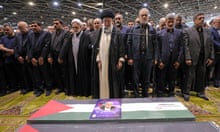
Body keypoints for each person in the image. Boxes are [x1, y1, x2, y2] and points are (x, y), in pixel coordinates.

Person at [91, 10, 125, 99]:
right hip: (102, 62)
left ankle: (112, 99)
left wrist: (120, 60)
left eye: (108, 21)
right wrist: (98, 60)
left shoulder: (117, 32)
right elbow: (96, 48)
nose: (106, 23)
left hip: (113, 62)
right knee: (102, 81)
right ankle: (103, 98)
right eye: (105, 21)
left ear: (112, 21)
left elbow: (121, 47)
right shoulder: (99, 32)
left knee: (113, 82)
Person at [182, 13, 214, 101]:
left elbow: (211, 45)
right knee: (189, 76)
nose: (202, 20)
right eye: (200, 18)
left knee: (201, 76)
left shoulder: (207, 31)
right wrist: (187, 57)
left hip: (203, 58)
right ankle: (186, 92)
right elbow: (186, 46)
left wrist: (211, 57)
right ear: (194, 20)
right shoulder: (187, 31)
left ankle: (200, 92)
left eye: (203, 18)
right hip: (192, 58)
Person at [127, 8, 158, 97]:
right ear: (139, 17)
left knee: (146, 78)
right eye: (142, 15)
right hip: (136, 57)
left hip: (148, 58)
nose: (144, 17)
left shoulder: (152, 30)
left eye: (146, 15)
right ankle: (136, 95)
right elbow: (129, 43)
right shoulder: (133, 29)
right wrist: (130, 57)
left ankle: (145, 95)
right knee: (135, 78)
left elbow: (155, 45)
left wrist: (155, 58)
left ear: (148, 17)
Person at [58, 18, 92, 97]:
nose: (75, 29)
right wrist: (61, 56)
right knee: (73, 75)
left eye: (76, 27)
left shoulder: (86, 35)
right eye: (73, 27)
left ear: (80, 26)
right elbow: (65, 46)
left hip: (83, 59)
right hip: (72, 59)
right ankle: (75, 91)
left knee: (83, 75)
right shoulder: (70, 35)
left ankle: (84, 91)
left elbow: (89, 46)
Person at [157, 13, 183, 97]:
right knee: (161, 78)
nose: (171, 24)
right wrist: (159, 60)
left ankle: (171, 92)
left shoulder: (179, 33)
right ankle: (161, 91)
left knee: (172, 77)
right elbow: (157, 48)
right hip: (163, 60)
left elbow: (181, 48)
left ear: (174, 22)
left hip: (174, 60)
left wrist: (179, 60)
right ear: (166, 22)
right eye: (169, 22)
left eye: (172, 22)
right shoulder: (160, 33)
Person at [28, 21, 52, 97]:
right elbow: (29, 47)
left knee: (46, 74)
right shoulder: (30, 35)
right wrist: (31, 57)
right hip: (34, 59)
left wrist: (42, 57)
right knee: (36, 75)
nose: (33, 27)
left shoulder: (46, 34)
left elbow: (47, 46)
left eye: (35, 26)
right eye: (32, 26)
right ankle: (39, 89)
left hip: (43, 58)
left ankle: (48, 88)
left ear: (40, 26)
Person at [48, 19, 68, 95]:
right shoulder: (52, 33)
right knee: (56, 73)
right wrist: (49, 56)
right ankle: (60, 88)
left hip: (62, 56)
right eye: (54, 24)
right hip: (53, 56)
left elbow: (65, 46)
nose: (55, 25)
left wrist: (61, 57)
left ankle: (66, 88)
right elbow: (50, 46)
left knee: (64, 73)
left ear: (61, 24)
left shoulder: (66, 33)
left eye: (57, 23)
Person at [14, 21, 33, 94]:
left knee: (31, 73)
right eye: (19, 28)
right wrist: (18, 56)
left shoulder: (31, 34)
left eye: (22, 27)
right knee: (24, 74)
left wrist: (29, 55)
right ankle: (26, 87)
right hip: (21, 58)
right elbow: (15, 46)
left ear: (26, 26)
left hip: (29, 57)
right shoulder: (17, 35)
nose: (21, 29)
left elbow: (32, 46)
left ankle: (33, 87)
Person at [0, 24, 18, 94]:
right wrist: (9, 51)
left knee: (19, 73)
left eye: (7, 30)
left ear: (12, 29)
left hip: (16, 58)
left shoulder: (17, 37)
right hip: (7, 59)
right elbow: (1, 47)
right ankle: (14, 87)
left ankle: (23, 86)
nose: (6, 31)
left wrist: (12, 51)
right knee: (10, 75)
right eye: (5, 30)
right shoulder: (3, 38)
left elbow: (18, 46)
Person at [210, 16, 220, 88]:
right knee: (210, 67)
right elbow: (212, 41)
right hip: (214, 53)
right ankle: (207, 82)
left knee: (218, 69)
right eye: (219, 22)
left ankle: (216, 82)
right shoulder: (211, 30)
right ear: (214, 23)